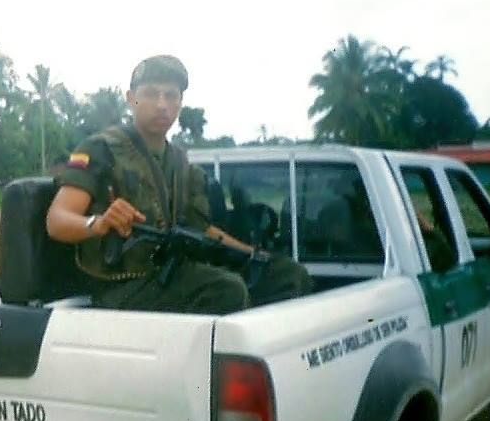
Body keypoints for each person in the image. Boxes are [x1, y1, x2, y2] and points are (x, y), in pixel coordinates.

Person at [47, 54, 313, 314]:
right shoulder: (101, 149)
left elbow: (201, 229)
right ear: (131, 99)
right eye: (151, 93)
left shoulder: (179, 161)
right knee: (225, 291)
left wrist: (253, 254)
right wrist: (99, 223)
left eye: (171, 96)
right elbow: (57, 220)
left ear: (180, 103)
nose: (162, 104)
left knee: (288, 275)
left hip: (170, 273)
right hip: (121, 287)